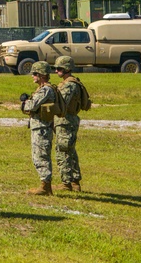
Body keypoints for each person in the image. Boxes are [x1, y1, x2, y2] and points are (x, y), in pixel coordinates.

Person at [22, 60, 58, 196]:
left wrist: (25, 103)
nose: (33, 76)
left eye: (35, 73)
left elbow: (31, 106)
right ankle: (45, 184)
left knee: (40, 156)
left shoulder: (45, 90)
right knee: (38, 155)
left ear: (42, 75)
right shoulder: (44, 89)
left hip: (42, 127)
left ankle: (45, 186)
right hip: (40, 126)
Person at [53, 56, 85, 191]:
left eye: (59, 68)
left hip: (65, 121)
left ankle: (66, 182)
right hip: (68, 120)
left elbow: (61, 104)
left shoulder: (69, 85)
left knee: (63, 150)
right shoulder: (73, 82)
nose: (56, 71)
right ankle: (75, 182)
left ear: (66, 68)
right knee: (70, 150)